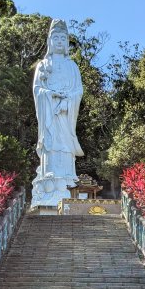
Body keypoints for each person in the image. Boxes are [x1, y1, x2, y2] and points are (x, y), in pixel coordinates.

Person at [31, 19, 84, 208]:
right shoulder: (43, 65)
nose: (60, 41)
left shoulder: (73, 67)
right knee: (51, 144)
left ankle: (67, 187)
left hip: (65, 114)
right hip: (49, 115)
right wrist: (50, 95)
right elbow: (37, 89)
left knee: (65, 146)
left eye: (63, 38)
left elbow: (78, 91)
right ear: (49, 41)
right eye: (56, 38)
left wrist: (66, 103)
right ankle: (49, 189)